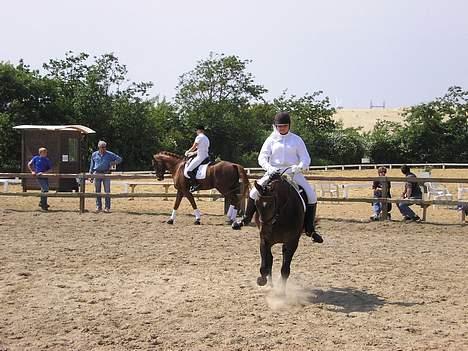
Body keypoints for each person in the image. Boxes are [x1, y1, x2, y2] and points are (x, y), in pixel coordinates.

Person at [232, 112, 323, 243]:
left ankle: (310, 229)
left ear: (289, 126)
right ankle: (245, 219)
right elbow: (262, 157)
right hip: (273, 171)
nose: (282, 129)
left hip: (292, 172)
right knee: (253, 192)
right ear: (275, 126)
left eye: (284, 126)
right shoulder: (271, 139)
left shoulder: (297, 140)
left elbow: (305, 158)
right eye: (279, 126)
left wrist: (300, 166)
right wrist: (269, 168)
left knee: (311, 195)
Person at [89, 140, 122, 213]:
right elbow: (92, 165)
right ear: (99, 147)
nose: (103, 149)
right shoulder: (94, 154)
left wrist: (113, 163)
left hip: (106, 173)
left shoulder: (109, 154)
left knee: (107, 191)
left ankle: (107, 207)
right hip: (97, 173)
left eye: (104, 147)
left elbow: (119, 159)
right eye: (102, 147)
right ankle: (98, 207)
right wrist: (90, 175)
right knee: (97, 191)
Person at [184, 125, 210, 192]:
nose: (196, 132)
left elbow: (194, 147)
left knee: (188, 170)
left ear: (199, 130)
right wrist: (193, 153)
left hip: (200, 157)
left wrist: (188, 151)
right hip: (206, 156)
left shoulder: (199, 137)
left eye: (196, 130)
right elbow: (201, 149)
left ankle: (195, 185)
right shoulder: (206, 138)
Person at [28, 147, 53, 211]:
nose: (46, 153)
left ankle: (42, 203)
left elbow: (51, 169)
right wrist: (32, 171)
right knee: (45, 189)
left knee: (45, 190)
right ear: (40, 153)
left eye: (46, 152)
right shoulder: (36, 158)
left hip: (45, 176)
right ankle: (43, 204)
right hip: (38, 176)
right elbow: (29, 164)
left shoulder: (47, 160)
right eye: (44, 152)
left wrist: (43, 173)